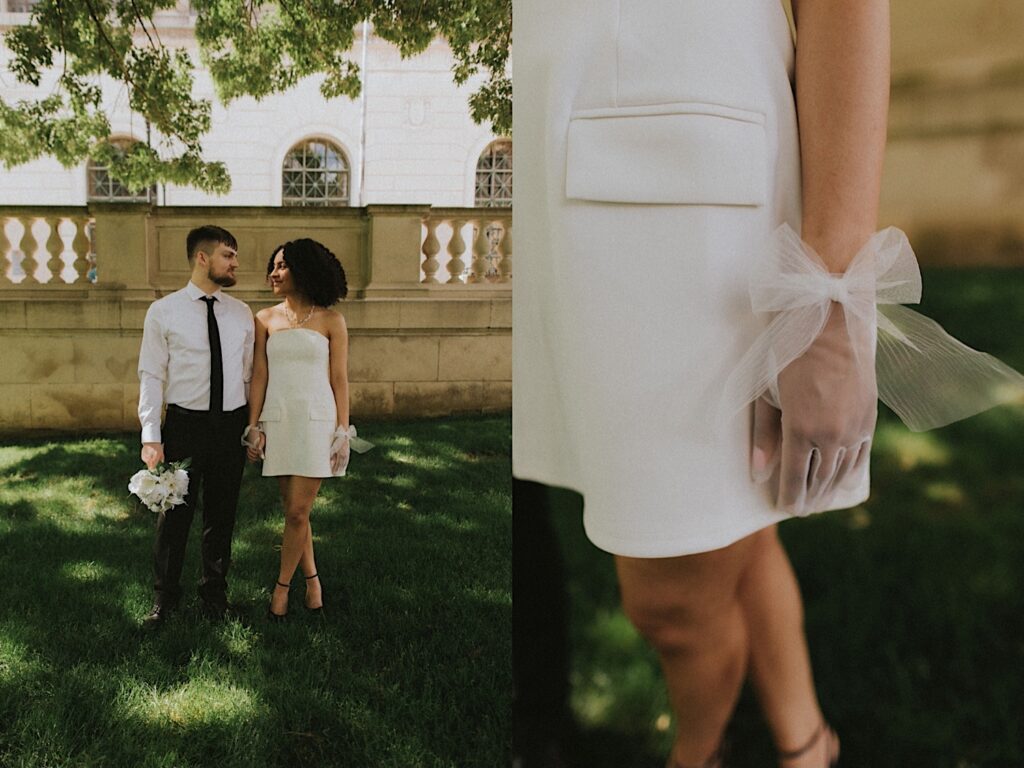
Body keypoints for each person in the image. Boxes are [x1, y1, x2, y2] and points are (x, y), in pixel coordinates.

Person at [138, 225, 254, 628]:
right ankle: (165, 601)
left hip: (230, 426)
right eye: (228, 255)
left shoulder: (241, 313)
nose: (235, 262)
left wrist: (254, 426)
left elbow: (248, 375)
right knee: (175, 515)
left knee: (222, 515)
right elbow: (151, 374)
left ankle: (214, 595)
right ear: (202, 258)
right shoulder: (164, 311)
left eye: (235, 256)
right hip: (185, 425)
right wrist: (151, 434)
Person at [243, 238, 352, 620]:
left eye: (281, 266)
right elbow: (259, 375)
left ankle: (281, 590)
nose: (273, 273)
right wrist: (253, 426)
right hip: (278, 419)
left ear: (303, 270)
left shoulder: (331, 320)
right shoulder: (264, 319)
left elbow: (340, 379)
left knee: (297, 512)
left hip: (317, 422)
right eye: (272, 266)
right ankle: (314, 583)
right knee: (294, 511)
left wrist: (343, 430)